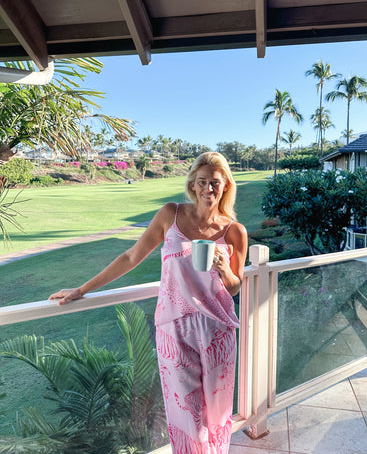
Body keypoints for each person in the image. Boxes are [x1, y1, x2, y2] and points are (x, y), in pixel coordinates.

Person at [49, 151, 248, 454]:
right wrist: (82, 288)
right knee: (186, 416)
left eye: (216, 183)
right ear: (193, 185)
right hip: (174, 329)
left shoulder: (235, 231)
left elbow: (234, 288)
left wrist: (224, 271)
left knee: (217, 415)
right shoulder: (171, 214)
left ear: (226, 187)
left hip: (218, 331)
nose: (209, 189)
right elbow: (131, 257)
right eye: (203, 182)